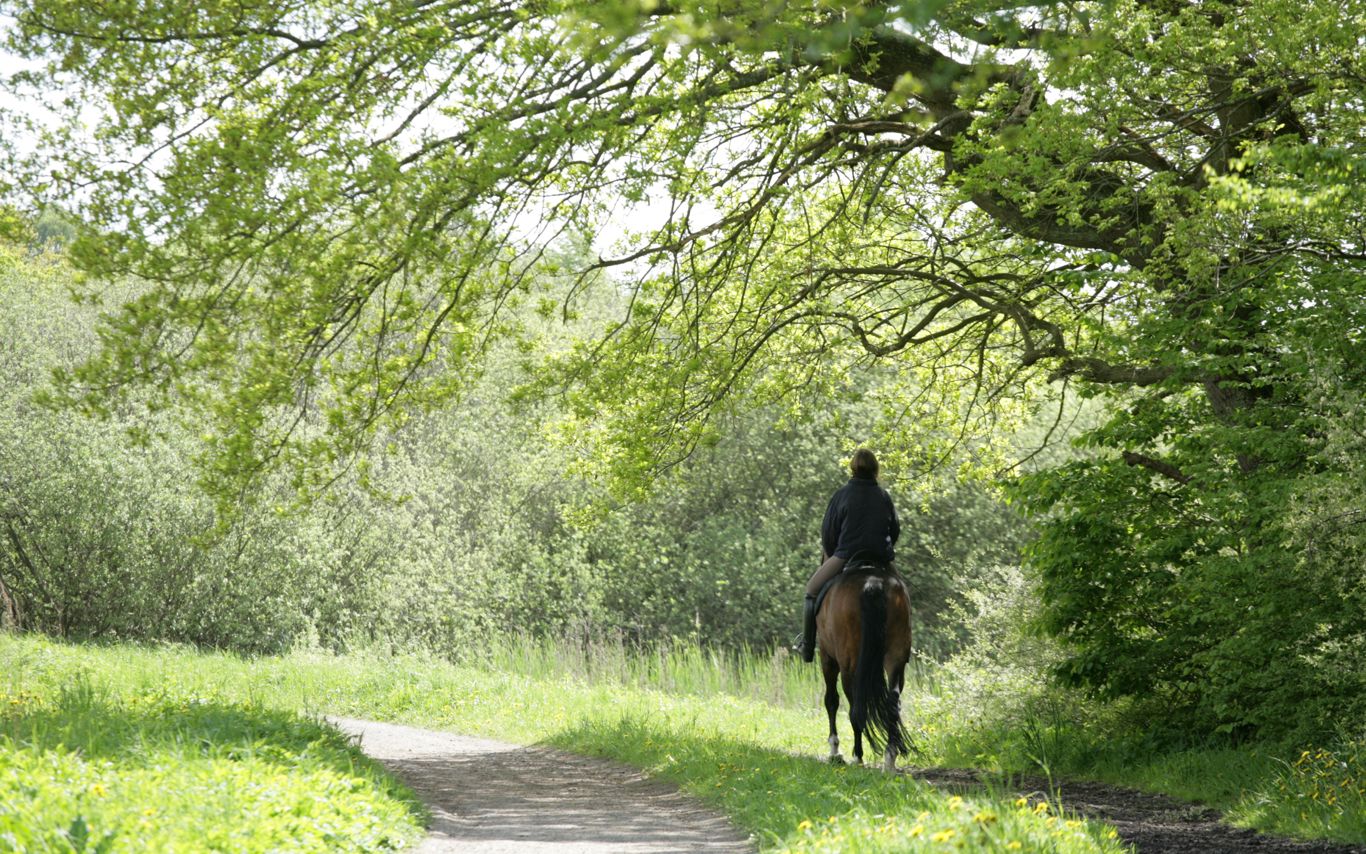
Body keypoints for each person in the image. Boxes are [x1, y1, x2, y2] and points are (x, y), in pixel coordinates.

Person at [796, 448, 900, 662]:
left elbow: (828, 533)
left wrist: (835, 552)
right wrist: (884, 550)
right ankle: (902, 641)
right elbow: (895, 531)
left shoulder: (841, 495)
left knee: (811, 590)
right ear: (875, 469)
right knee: (902, 595)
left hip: (845, 555)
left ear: (853, 467)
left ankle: (807, 645)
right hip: (881, 558)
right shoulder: (884, 496)